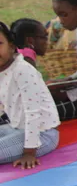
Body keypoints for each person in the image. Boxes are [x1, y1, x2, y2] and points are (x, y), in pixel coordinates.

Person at [0, 22, 60, 168]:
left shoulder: (22, 70)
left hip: (41, 135)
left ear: (12, 45)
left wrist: (29, 152)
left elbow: (33, 113)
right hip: (15, 128)